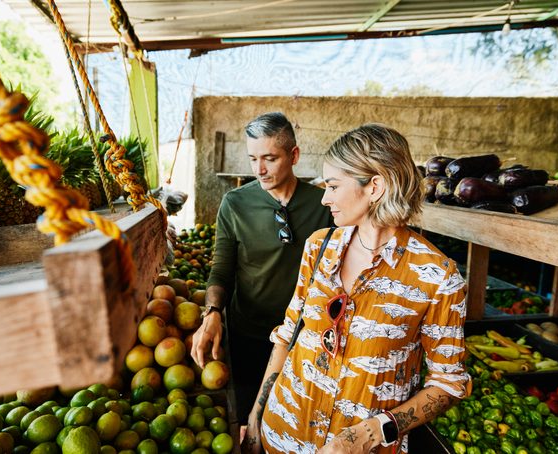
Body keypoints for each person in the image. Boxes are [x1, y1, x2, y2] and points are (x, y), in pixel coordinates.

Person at [241, 124, 471, 454]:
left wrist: (373, 432)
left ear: (374, 186)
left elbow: (448, 384)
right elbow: (287, 337)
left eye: (333, 186)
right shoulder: (319, 247)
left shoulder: (437, 277)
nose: (324, 198)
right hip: (281, 433)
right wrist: (255, 417)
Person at [190, 112, 333, 424]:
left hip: (302, 340)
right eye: (253, 158)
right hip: (247, 333)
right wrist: (213, 313)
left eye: (270, 158)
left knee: (293, 420)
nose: (260, 170)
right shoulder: (235, 204)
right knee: (245, 419)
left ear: (294, 155)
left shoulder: (324, 206)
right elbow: (222, 268)